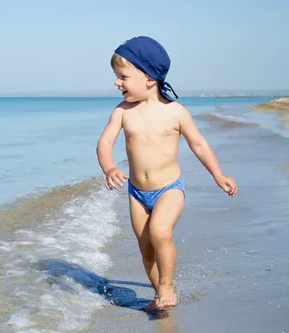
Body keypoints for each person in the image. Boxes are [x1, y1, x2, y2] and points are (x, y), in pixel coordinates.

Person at [96, 36, 238, 310]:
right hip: (137, 193)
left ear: (149, 78)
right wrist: (110, 167)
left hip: (169, 189)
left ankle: (167, 286)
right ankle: (159, 296)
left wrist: (218, 175)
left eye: (122, 76)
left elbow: (199, 144)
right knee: (146, 249)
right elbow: (104, 143)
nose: (117, 83)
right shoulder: (122, 112)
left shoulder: (176, 112)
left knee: (160, 232)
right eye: (116, 77)